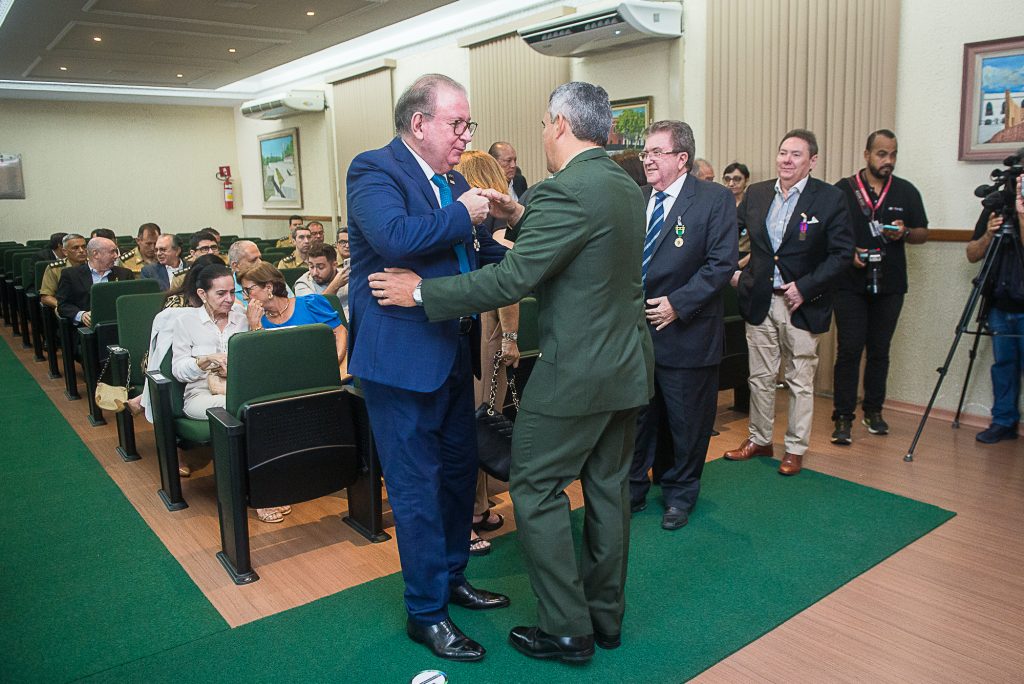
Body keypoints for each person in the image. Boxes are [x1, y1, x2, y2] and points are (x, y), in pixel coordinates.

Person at [369, 80, 655, 664]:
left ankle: (567, 629)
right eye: (459, 124)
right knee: (606, 489)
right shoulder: (624, 185)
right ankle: (605, 619)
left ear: (558, 124)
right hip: (626, 366)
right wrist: (520, 214)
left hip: (576, 370)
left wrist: (422, 291)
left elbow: (512, 280)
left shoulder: (565, 189)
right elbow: (579, 244)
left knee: (533, 484)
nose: (466, 136)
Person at [345, 73, 509, 662]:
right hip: (399, 363)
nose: (467, 136)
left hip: (450, 355)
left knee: (458, 477)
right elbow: (395, 237)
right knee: (415, 491)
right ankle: (425, 612)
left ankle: (452, 578)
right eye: (457, 124)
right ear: (420, 124)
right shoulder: (374, 169)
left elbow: (483, 253)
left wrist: (513, 230)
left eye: (469, 124)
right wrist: (464, 213)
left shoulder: (456, 183)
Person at [723, 129, 853, 475]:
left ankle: (795, 449)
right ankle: (760, 439)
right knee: (760, 377)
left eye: (796, 155)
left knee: (798, 380)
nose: (786, 160)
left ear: (812, 161)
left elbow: (842, 255)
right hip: (760, 300)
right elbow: (729, 234)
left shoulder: (829, 198)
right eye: (783, 153)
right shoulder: (757, 193)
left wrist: (806, 287)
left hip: (801, 304)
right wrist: (730, 273)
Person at [628, 120, 738, 530]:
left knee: (686, 422)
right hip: (636, 335)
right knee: (638, 419)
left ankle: (679, 494)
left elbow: (721, 263)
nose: (648, 160)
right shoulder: (636, 198)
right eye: (646, 152)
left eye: (657, 152)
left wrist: (678, 303)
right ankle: (634, 489)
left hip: (687, 332)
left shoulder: (713, 199)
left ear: (682, 158)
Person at [831, 130, 929, 444]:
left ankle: (874, 410)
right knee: (848, 350)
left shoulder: (906, 191)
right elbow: (827, 236)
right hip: (849, 284)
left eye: (893, 154)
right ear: (866, 154)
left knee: (880, 351)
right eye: (882, 154)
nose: (888, 161)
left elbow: (923, 233)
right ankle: (843, 417)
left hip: (890, 283)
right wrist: (849, 254)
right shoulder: (843, 191)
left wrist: (906, 232)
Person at [453, 149, 522, 556]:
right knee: (480, 421)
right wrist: (511, 337)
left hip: (479, 328)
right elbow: (508, 288)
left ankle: (477, 509)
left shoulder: (484, 221)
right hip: (487, 331)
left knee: (478, 420)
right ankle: (471, 514)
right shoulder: (494, 223)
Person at [967, 172, 1024, 444]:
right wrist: (989, 234)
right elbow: (972, 254)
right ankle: (1003, 421)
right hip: (999, 303)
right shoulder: (996, 206)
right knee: (1003, 366)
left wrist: (1022, 216)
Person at [239, 262, 348, 372]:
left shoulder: (310, 304)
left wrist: (333, 363)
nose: (244, 297)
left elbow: (340, 332)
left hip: (331, 371)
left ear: (269, 287)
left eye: (248, 290)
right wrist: (255, 326)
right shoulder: (259, 322)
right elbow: (265, 362)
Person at [56, 237, 135, 326]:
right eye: (112, 251)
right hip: (86, 330)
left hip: (118, 325)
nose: (116, 256)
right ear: (96, 254)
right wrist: (81, 315)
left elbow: (132, 302)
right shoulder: (71, 275)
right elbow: (63, 305)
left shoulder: (125, 274)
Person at [39, 233, 87, 309]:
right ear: (65, 252)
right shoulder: (55, 269)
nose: (81, 250)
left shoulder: (94, 265)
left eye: (84, 247)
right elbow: (46, 297)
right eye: (75, 248)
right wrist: (63, 306)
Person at [723, 162, 752, 266]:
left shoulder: (753, 204)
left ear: (746, 180)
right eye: (727, 179)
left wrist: (740, 264)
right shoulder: (719, 204)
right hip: (723, 255)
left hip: (747, 257)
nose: (731, 184)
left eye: (737, 179)